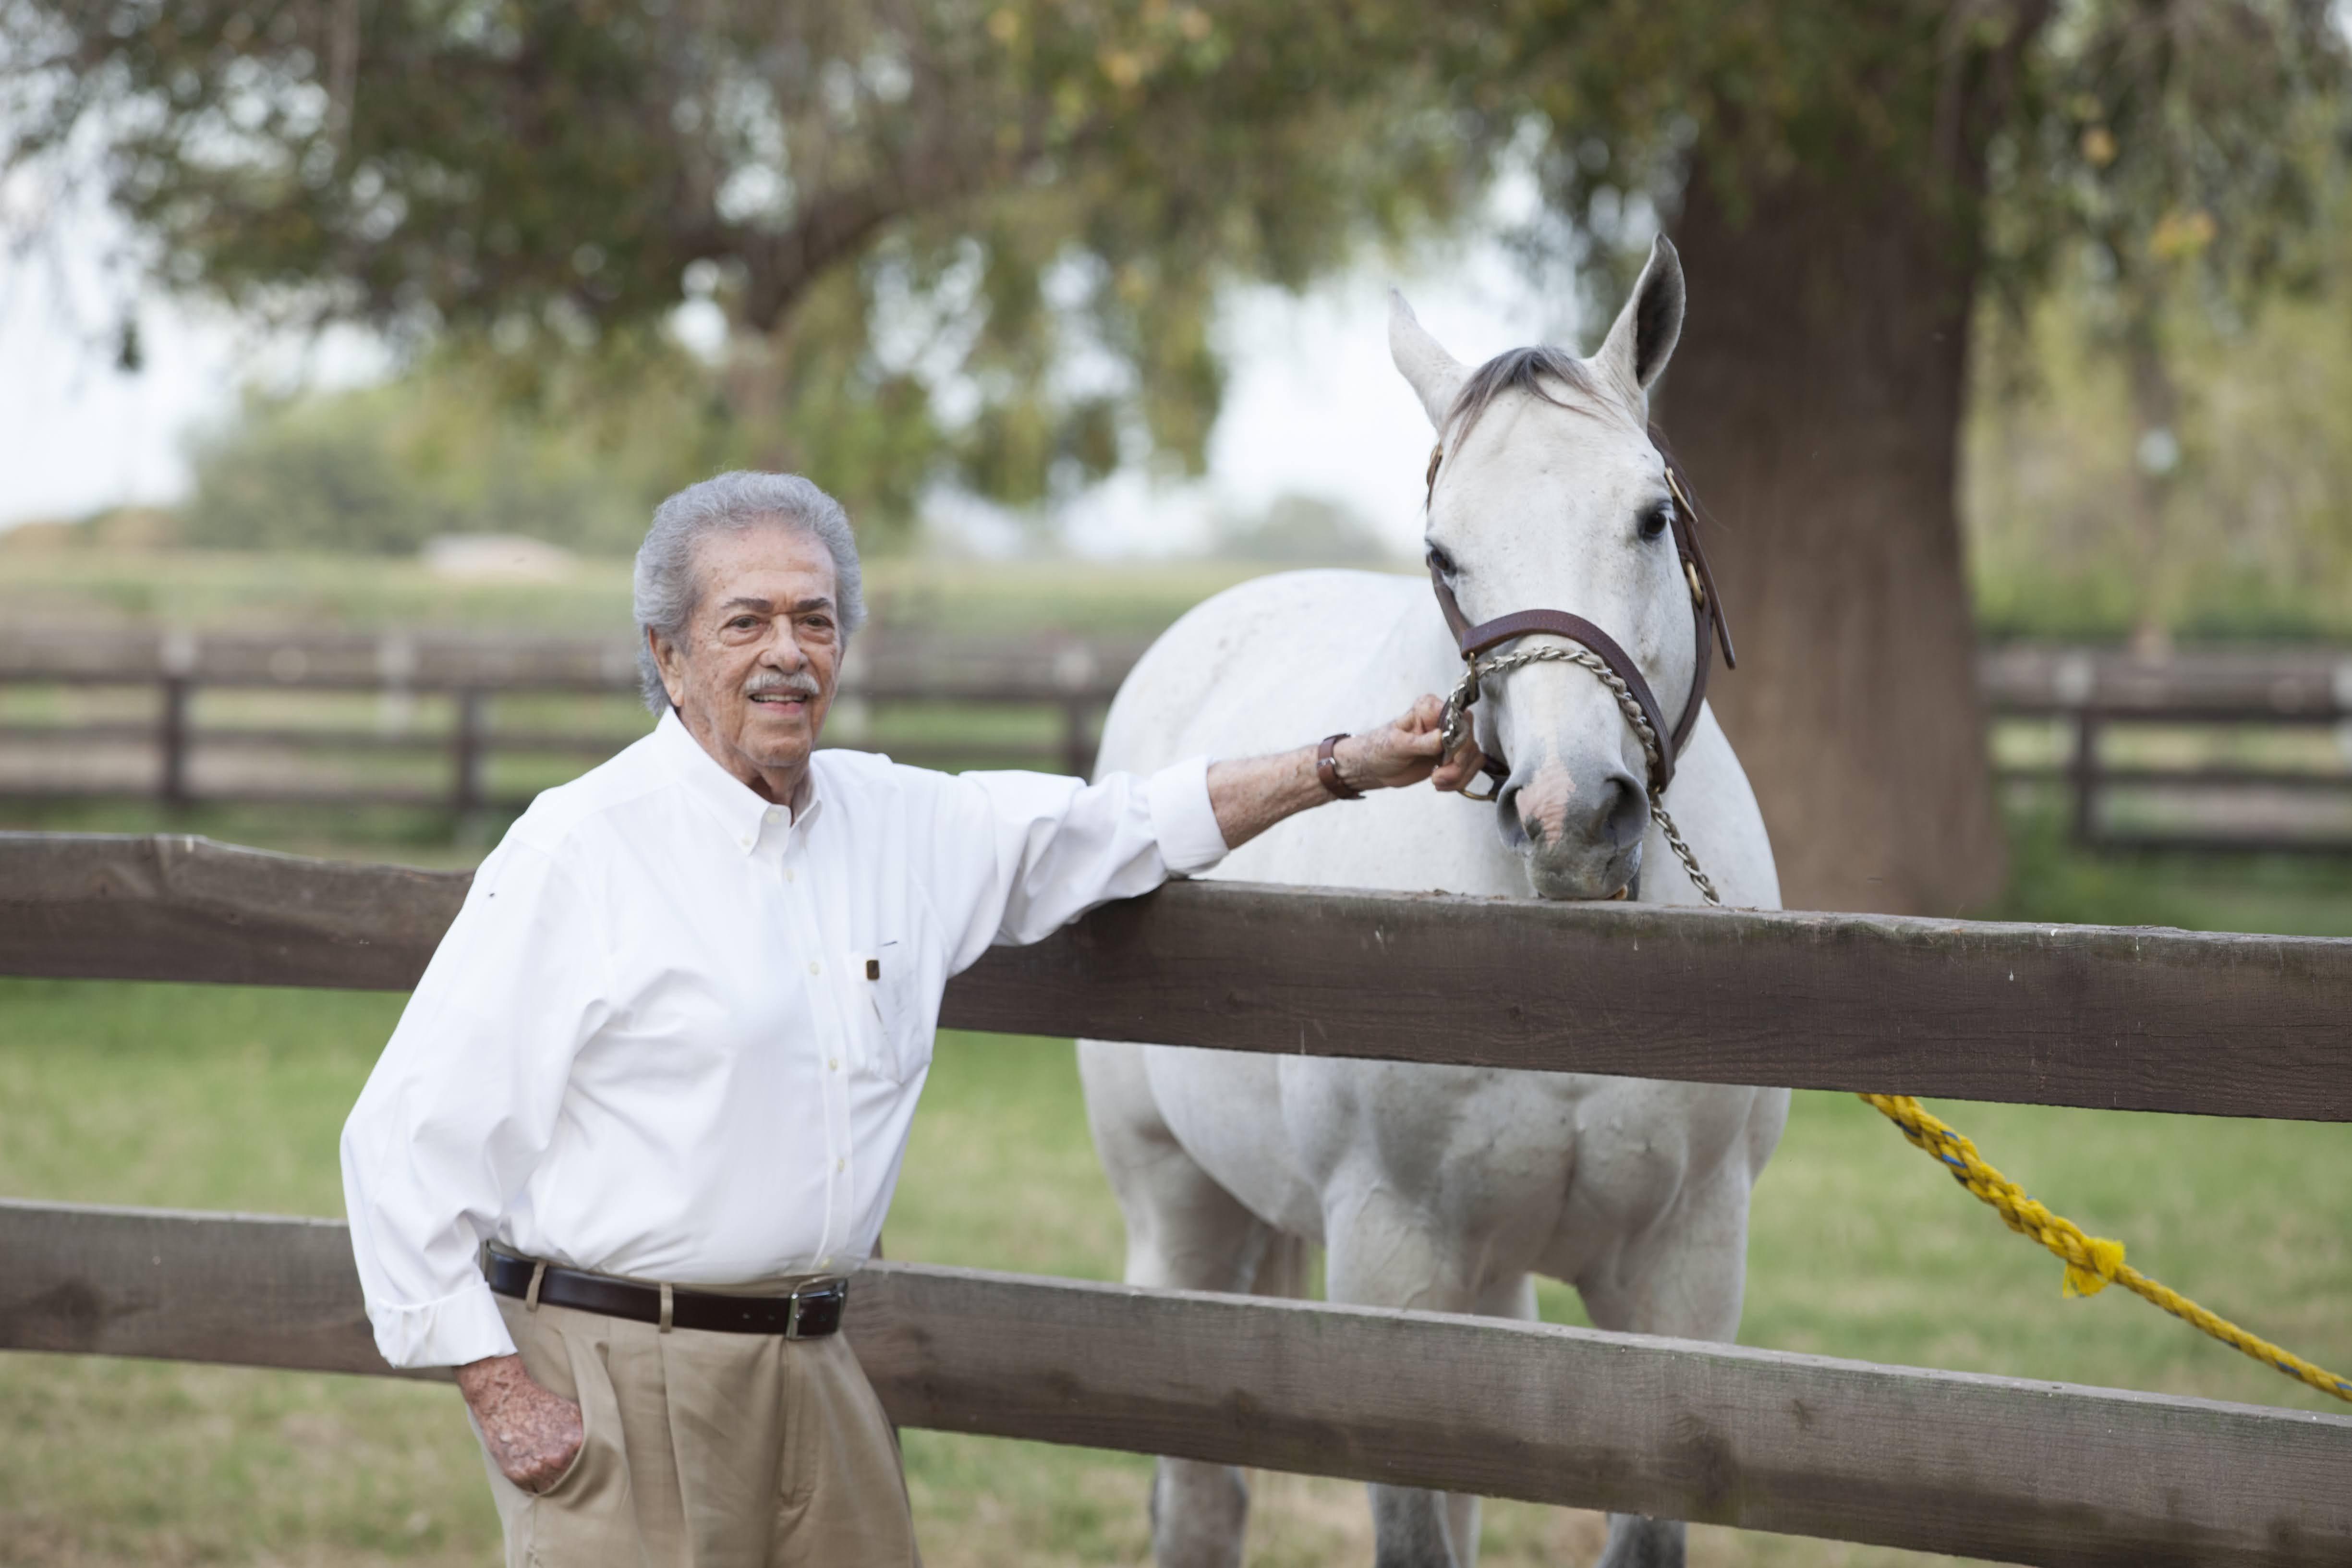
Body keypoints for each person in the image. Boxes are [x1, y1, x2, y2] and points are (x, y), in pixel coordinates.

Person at [339, 471, 1484, 1567]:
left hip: (821, 1367)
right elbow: (403, 1138)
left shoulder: (897, 821)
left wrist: (1341, 766)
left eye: (816, 619)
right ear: (668, 655)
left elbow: (1126, 825)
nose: (788, 653)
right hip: (620, 1371)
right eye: (745, 622)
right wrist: (498, 1389)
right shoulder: (579, 849)